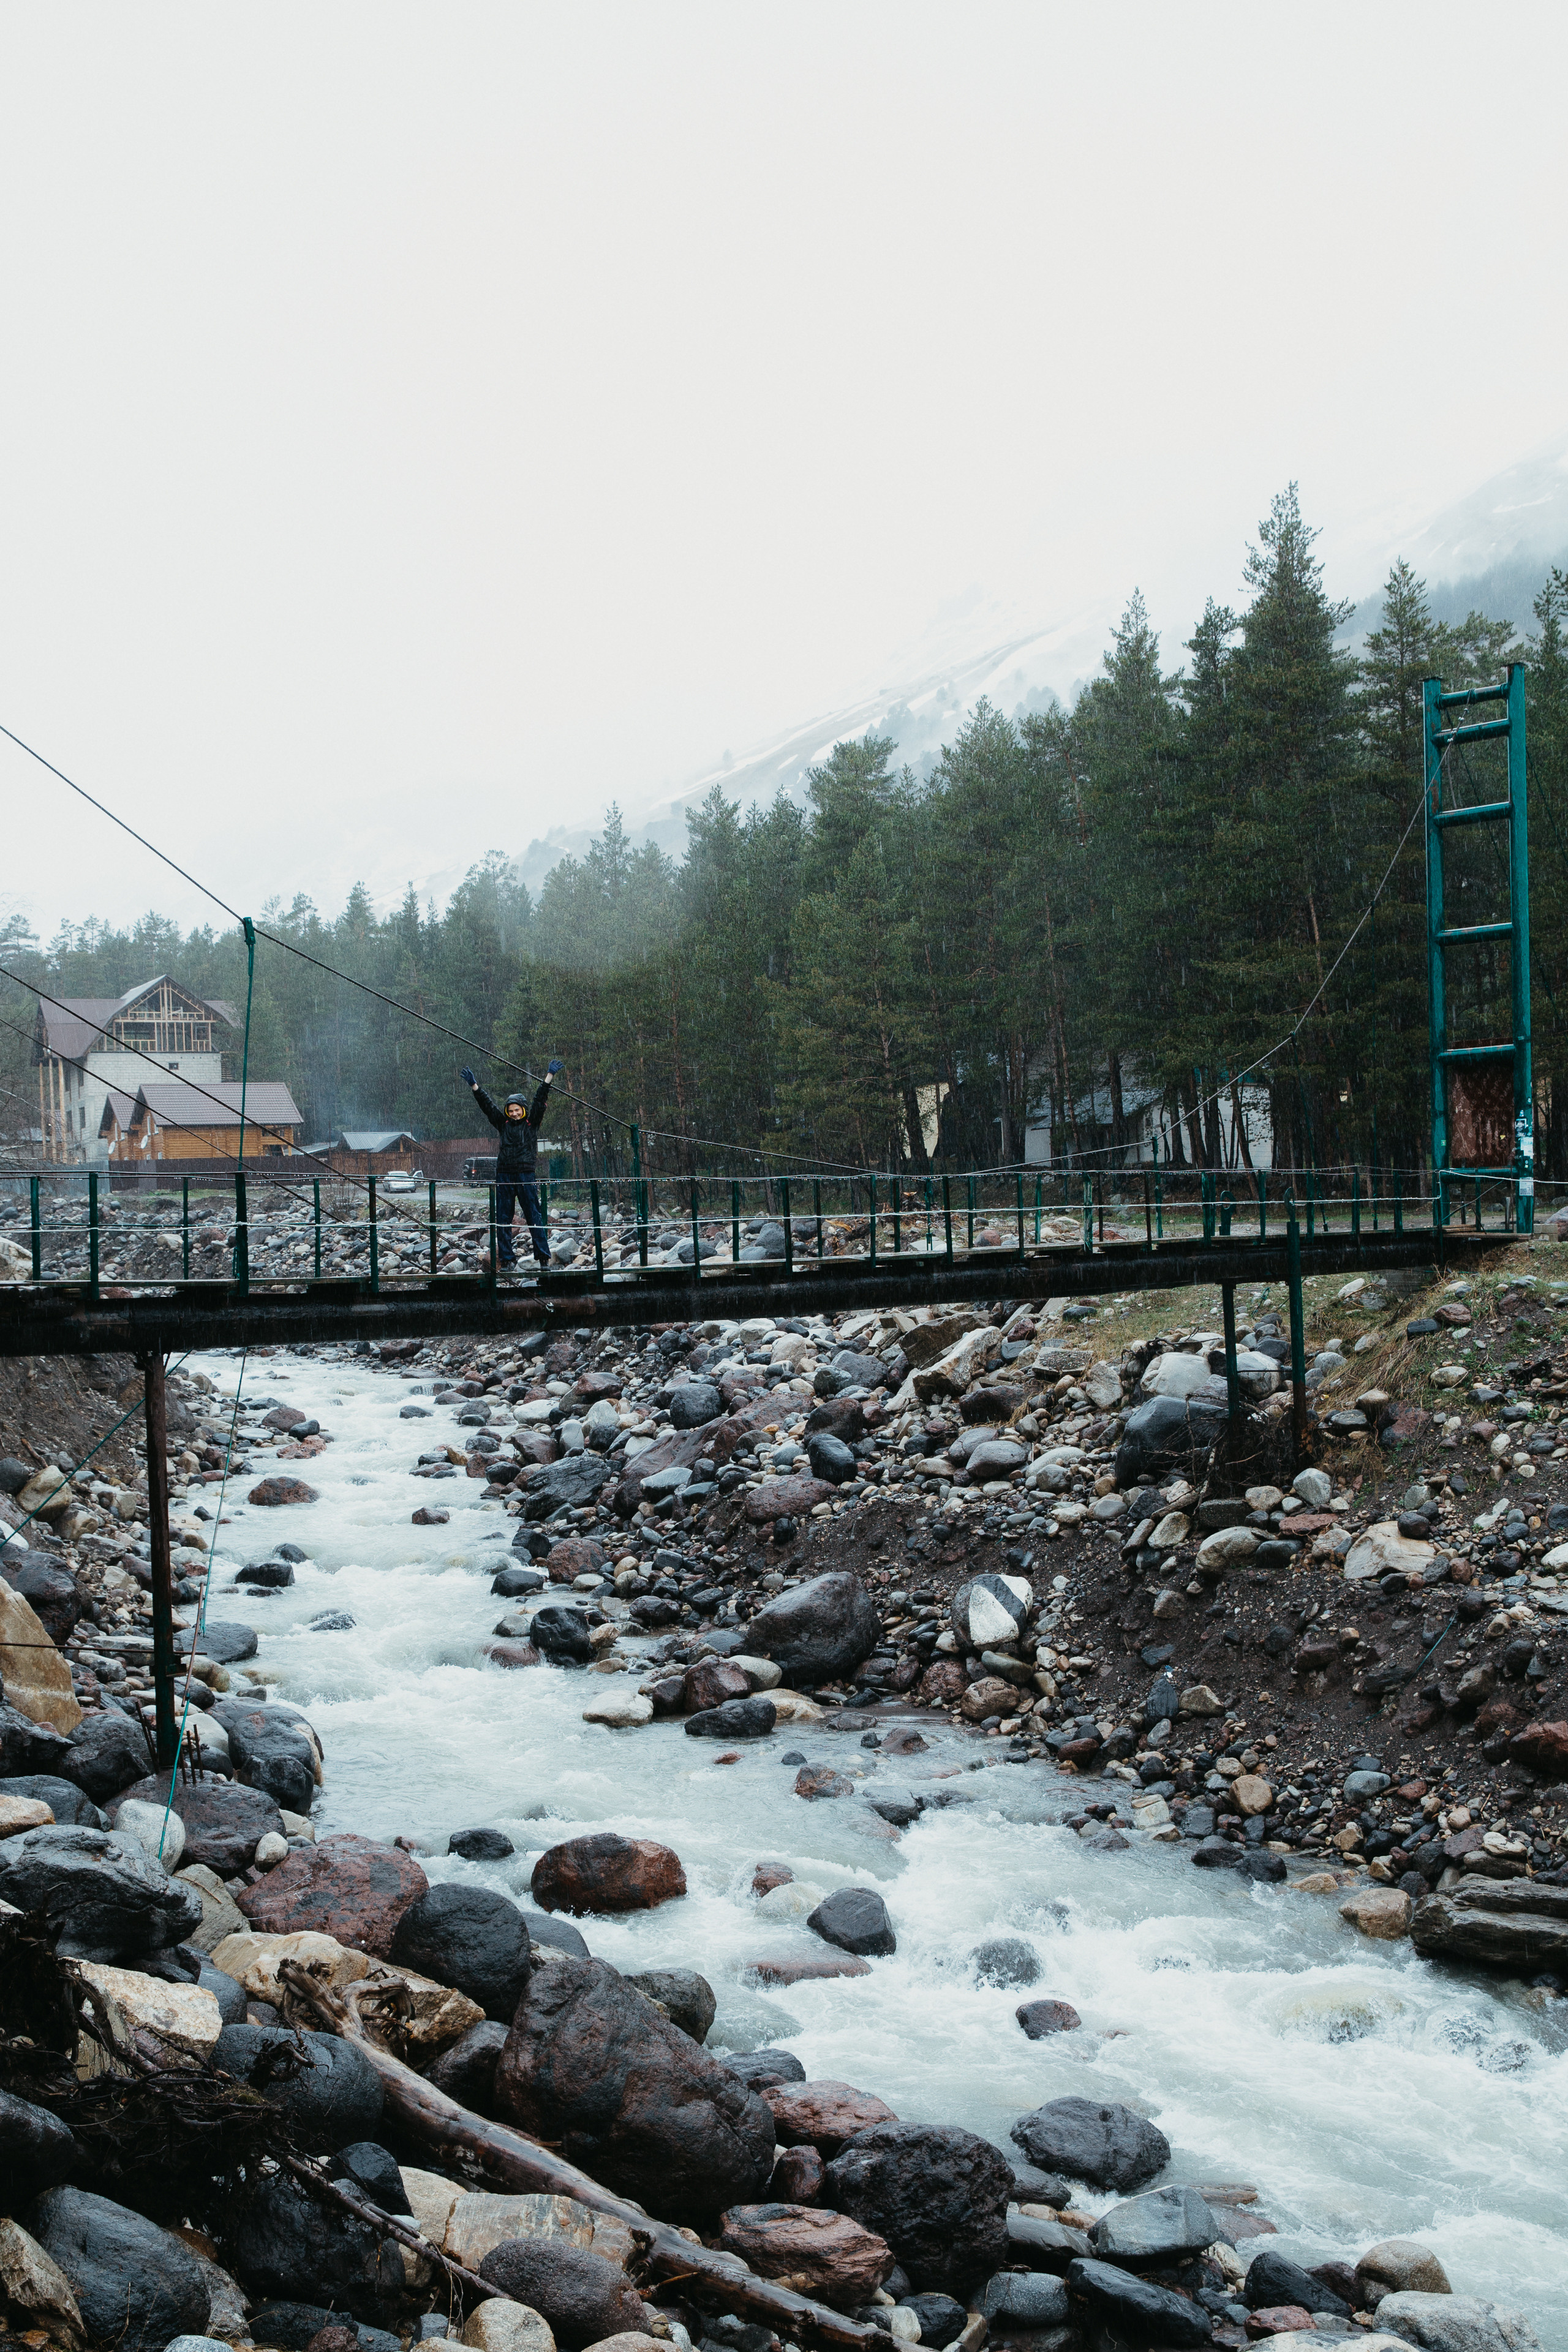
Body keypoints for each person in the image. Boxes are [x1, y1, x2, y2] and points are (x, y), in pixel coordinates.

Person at [462, 1059, 562, 1270]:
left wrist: (549, 1077)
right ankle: (507, 1260)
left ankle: (543, 1259)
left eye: (517, 1110)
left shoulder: (532, 1122)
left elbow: (540, 1098)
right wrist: (474, 1086)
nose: (514, 1113)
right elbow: (487, 1106)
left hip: (526, 1175)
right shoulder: (503, 1123)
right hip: (505, 1176)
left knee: (534, 1216)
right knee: (503, 1219)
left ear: (523, 1110)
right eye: (511, 1110)